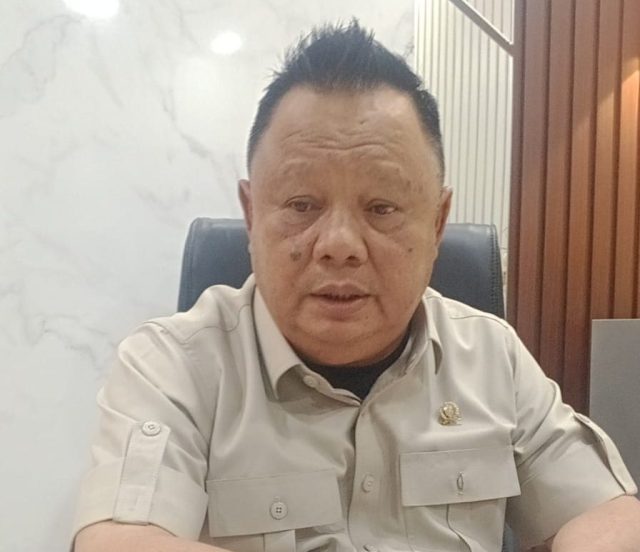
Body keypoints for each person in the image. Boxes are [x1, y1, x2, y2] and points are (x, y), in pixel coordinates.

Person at [72, 21, 640, 552]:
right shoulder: (173, 364)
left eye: (382, 207)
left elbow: (610, 514)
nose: (339, 244)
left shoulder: (492, 358)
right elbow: (120, 540)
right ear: (251, 215)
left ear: (437, 224)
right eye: (302, 204)